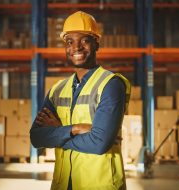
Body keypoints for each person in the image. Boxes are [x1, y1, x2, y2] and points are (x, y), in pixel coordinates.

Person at [30, 11, 130, 190]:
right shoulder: (57, 90)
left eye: (84, 40)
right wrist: (75, 129)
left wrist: (57, 132)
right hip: (63, 185)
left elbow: (99, 143)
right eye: (69, 42)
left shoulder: (110, 85)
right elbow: (36, 137)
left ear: (96, 43)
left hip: (99, 185)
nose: (76, 47)